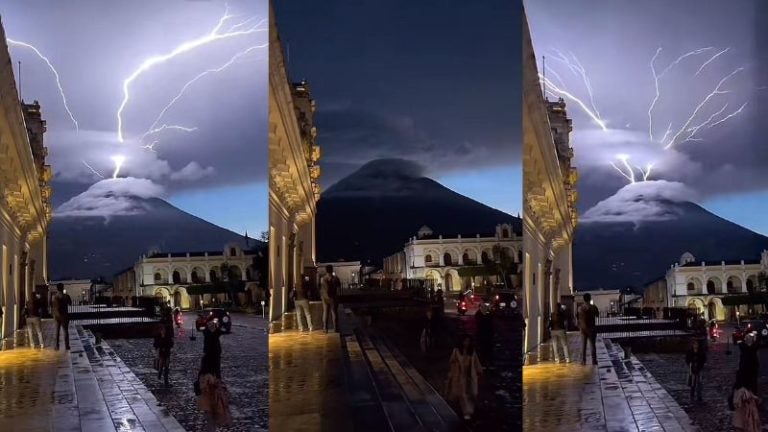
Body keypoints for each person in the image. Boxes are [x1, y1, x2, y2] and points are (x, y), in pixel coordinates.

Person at [446, 335, 483, 420]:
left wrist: (479, 372)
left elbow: (476, 363)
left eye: (468, 341)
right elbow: (452, 361)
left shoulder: (472, 352)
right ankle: (467, 412)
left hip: (469, 376)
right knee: (462, 393)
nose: (466, 343)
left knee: (470, 393)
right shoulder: (456, 351)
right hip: (459, 375)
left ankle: (468, 410)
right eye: (465, 341)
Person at [196, 354, 232, 431]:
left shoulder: (202, 376)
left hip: (205, 403)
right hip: (212, 402)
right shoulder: (211, 377)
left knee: (210, 422)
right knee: (212, 423)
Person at [578, 293, 599, 365]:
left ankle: (583, 361)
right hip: (592, 328)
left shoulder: (581, 308)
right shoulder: (594, 307)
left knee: (583, 345)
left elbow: (579, 317)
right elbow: (597, 315)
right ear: (590, 299)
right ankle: (594, 360)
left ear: (583, 299)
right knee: (592, 345)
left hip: (583, 328)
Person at [51, 283, 72, 351]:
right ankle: (67, 345)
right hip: (64, 315)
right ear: (63, 288)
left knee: (57, 331)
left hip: (56, 315)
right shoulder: (66, 296)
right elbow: (70, 303)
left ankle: (56, 346)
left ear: (57, 288)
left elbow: (52, 305)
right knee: (65, 331)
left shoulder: (54, 296)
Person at [475, 301, 495, 368]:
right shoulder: (479, 314)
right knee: (483, 350)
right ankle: (483, 363)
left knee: (488, 350)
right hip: (482, 335)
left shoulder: (488, 314)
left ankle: (487, 363)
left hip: (487, 335)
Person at [320, 265, 340, 333]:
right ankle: (335, 328)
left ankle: (325, 328)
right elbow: (338, 289)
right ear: (332, 270)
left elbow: (321, 288)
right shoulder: (335, 278)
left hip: (325, 298)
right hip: (333, 297)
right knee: (334, 313)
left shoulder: (323, 279)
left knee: (325, 312)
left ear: (326, 270)